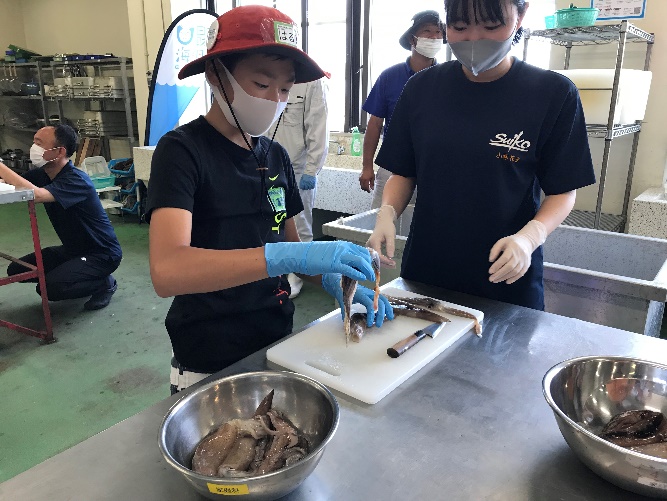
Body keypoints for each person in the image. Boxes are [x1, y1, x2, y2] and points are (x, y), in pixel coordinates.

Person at [145, 5, 393, 394]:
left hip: (276, 341)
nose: (275, 100)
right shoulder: (182, 152)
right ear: (215, 74)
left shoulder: (275, 156)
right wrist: (281, 257)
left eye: (285, 89)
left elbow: (292, 248)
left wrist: (333, 278)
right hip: (209, 354)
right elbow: (168, 270)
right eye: (261, 84)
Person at [367, 0, 596, 311]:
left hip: (506, 273)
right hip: (428, 269)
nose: (474, 39)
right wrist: (387, 213)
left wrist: (530, 238)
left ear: (520, 16)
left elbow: (563, 190)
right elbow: (404, 172)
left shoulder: (553, 94)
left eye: (491, 26)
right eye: (460, 27)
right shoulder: (421, 89)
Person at [1, 124, 121, 310]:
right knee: (17, 269)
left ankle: (104, 283)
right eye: (34, 142)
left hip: (101, 253)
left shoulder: (76, 179)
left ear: (59, 151)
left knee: (50, 288)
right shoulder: (43, 174)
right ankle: (77, 273)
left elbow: (36, 195)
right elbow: (12, 182)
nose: (33, 148)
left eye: (39, 143)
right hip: (73, 249)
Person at [359, 10, 444, 209]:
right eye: (427, 31)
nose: (434, 37)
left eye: (438, 32)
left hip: (433, 166)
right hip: (393, 164)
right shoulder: (390, 77)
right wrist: (367, 166)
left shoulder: (447, 78)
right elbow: (375, 124)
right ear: (412, 39)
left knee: (428, 220)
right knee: (382, 218)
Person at [267, 77, 329, 298]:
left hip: (297, 168)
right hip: (265, 163)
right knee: (270, 222)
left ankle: (298, 273)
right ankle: (276, 271)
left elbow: (318, 127)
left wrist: (312, 170)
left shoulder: (313, 82)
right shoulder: (267, 77)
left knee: (300, 224)